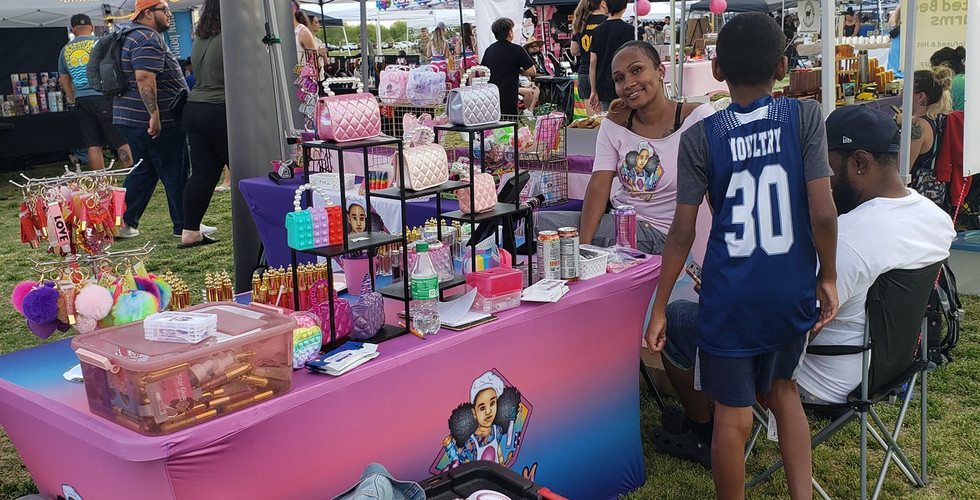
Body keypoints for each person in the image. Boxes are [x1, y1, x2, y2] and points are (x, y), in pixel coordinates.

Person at [650, 106, 956, 468]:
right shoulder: (935, 218)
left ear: (859, 162)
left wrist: (727, 296)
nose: (819, 178)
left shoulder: (846, 242)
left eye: (824, 165)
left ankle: (702, 430)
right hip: (891, 365)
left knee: (678, 318)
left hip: (824, 375)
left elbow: (789, 326)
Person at [644, 13, 839, 499]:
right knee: (784, 393)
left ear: (716, 70)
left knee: (732, 419)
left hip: (729, 298)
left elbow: (682, 233)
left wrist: (661, 306)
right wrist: (829, 276)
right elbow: (823, 214)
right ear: (782, 67)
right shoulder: (805, 117)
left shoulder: (700, 137)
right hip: (788, 290)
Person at [538, 41, 715, 254]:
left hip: (659, 234)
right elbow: (599, 185)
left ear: (660, 71)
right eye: (619, 78)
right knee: (533, 221)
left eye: (636, 70)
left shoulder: (698, 118)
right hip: (618, 219)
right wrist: (584, 248)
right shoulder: (614, 123)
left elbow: (717, 188)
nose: (629, 83)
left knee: (538, 225)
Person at [113, 0, 205, 239]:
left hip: (130, 116)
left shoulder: (128, 35)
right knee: (176, 171)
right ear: (147, 13)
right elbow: (144, 77)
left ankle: (123, 222)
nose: (169, 15)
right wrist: (154, 115)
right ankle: (186, 225)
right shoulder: (147, 37)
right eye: (164, 10)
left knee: (145, 170)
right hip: (154, 118)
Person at [58, 13, 133, 171]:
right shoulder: (101, 43)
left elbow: (64, 80)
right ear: (92, 27)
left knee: (93, 143)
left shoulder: (65, 50)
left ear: (72, 29)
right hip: (104, 95)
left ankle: (100, 180)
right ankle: (129, 171)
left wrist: (75, 98)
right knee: (120, 139)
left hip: (82, 100)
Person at [178, 0, 225, 249]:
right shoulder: (232, 36)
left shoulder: (202, 36)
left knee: (203, 174)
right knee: (249, 172)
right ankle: (257, 230)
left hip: (195, 108)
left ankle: (190, 231)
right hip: (220, 108)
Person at [908, 66, 954, 205]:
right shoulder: (938, 118)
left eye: (905, 91)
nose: (900, 96)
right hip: (932, 197)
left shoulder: (919, 125)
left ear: (921, 96)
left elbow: (902, 170)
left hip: (915, 198)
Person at [482, 18, 536, 117]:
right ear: (510, 32)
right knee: (509, 121)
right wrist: (519, 70)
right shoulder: (517, 49)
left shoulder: (489, 50)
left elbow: (482, 72)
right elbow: (532, 71)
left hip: (492, 93)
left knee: (494, 120)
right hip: (509, 93)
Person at [589, 0, 635, 111]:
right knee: (628, 116)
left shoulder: (597, 30)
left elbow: (593, 61)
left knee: (609, 116)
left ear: (606, 6)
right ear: (624, 7)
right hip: (624, 80)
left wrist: (593, 90)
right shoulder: (629, 29)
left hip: (603, 83)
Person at [570, 0, 607, 116]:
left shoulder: (580, 23)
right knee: (606, 119)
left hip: (584, 73)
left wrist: (586, 52)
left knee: (593, 120)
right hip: (603, 74)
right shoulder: (607, 22)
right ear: (602, 3)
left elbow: (573, 51)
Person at [930, 46, 966, 112]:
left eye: (934, 69)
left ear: (944, 66)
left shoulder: (950, 84)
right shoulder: (969, 78)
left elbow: (941, 110)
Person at [886, 7, 903, 78]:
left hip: (894, 46)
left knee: (893, 67)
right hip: (902, 46)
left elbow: (889, 31)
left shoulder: (892, 18)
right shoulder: (906, 19)